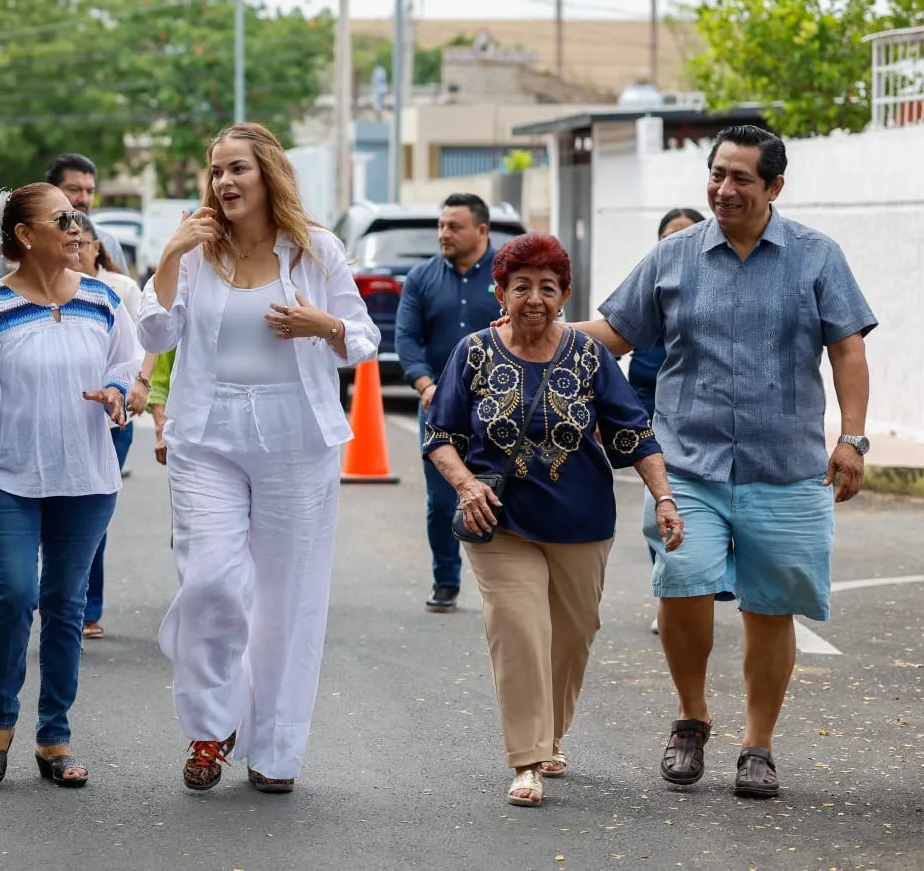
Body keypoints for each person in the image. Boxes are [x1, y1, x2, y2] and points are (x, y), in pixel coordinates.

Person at [587, 124, 876, 799]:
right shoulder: (674, 257)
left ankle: (758, 745)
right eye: (717, 174)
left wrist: (853, 439)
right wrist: (534, 329)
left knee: (771, 607)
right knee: (682, 583)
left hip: (786, 468)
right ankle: (691, 718)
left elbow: (848, 351)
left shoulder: (816, 257)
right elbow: (617, 334)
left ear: (774, 186)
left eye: (741, 178)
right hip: (689, 464)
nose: (724, 189)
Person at [139, 122, 378, 793]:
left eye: (236, 168)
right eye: (215, 170)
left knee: (286, 601)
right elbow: (156, 332)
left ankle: (274, 750)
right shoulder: (195, 254)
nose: (224, 181)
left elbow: (361, 336)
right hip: (206, 438)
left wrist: (320, 325)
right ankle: (212, 725)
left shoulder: (315, 250)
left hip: (296, 441)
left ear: (267, 174)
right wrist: (167, 256)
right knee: (211, 580)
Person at [423, 232, 683, 807]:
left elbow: (635, 433)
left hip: (581, 521)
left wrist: (664, 497)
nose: (534, 298)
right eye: (522, 287)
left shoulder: (590, 356)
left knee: (573, 636)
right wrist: (465, 485)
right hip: (498, 519)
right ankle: (527, 759)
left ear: (565, 295)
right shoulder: (473, 352)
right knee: (518, 628)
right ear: (501, 292)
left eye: (548, 287)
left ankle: (550, 733)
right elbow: (440, 435)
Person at [0, 182, 139, 789]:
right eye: (62, 217)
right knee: (15, 594)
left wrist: (117, 391)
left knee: (65, 605)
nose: (76, 226)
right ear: (25, 235)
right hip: (7, 477)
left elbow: (127, 364)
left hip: (86, 479)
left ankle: (53, 736)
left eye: (78, 216)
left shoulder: (102, 300)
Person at [394, 192, 500, 613]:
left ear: (481, 230)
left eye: (453, 226)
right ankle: (446, 579)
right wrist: (424, 385)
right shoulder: (421, 278)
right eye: (441, 226)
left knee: (504, 493)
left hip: (499, 407)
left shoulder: (506, 274)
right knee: (442, 500)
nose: (444, 234)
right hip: (440, 407)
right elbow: (405, 337)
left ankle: (505, 582)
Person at [71, 212, 155, 639]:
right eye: (68, 241)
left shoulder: (120, 290)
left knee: (92, 510)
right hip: (61, 417)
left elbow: (146, 341)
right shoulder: (41, 289)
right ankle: (59, 597)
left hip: (112, 417)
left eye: (83, 243)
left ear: (96, 247)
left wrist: (138, 384)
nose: (75, 250)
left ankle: (87, 608)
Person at [627, 208, 707, 635]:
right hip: (649, 414)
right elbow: (617, 335)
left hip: (697, 418)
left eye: (686, 235)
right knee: (659, 504)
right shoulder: (650, 291)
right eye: (668, 237)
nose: (676, 244)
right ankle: (669, 590)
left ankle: (700, 584)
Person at [45, 153, 130, 274]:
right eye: (74, 189)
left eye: (90, 191)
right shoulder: (28, 240)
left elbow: (123, 290)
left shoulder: (107, 241)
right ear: (51, 190)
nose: (83, 199)